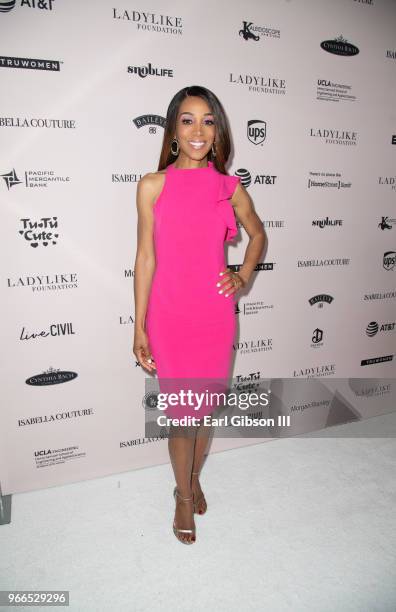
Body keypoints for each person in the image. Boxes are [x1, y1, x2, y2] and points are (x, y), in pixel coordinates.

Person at [133, 85, 266, 545]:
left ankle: (190, 478)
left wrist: (243, 274)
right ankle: (184, 496)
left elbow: (258, 235)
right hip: (169, 316)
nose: (198, 130)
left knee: (202, 412)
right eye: (187, 119)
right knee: (181, 416)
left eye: (208, 120)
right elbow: (145, 258)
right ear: (173, 128)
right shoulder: (152, 184)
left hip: (213, 314)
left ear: (218, 130)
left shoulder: (229, 188)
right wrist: (139, 324)